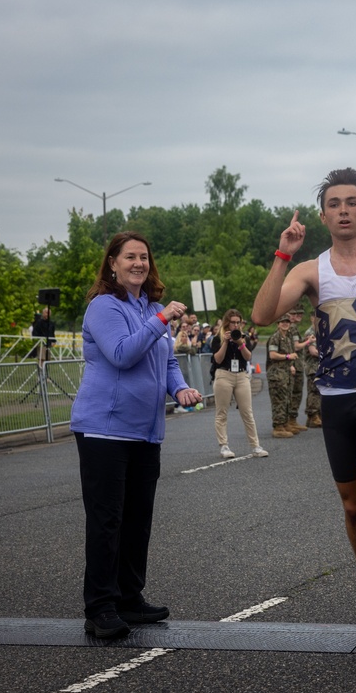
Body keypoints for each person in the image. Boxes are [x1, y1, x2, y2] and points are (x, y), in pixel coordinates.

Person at [251, 167, 356, 653]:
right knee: (349, 506)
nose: (343, 210)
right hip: (335, 398)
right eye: (334, 204)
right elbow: (262, 315)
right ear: (324, 216)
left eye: (352, 202)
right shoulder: (311, 271)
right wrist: (284, 254)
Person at [70, 231, 203, 639]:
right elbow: (124, 353)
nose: (138, 264)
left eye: (144, 257)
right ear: (112, 263)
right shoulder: (103, 307)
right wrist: (160, 321)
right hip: (104, 431)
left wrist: (179, 387)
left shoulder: (152, 307)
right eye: (129, 257)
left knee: (136, 521)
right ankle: (101, 607)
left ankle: (130, 597)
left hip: (145, 434)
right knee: (107, 521)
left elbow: (164, 363)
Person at [211, 307, 268, 459]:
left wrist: (240, 342)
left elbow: (248, 357)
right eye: (232, 323)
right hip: (224, 374)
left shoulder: (244, 337)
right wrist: (225, 342)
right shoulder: (218, 337)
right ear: (226, 323)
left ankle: (255, 446)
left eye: (238, 322)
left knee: (247, 412)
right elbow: (217, 359)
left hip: (242, 375)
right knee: (222, 412)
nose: (235, 326)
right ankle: (224, 446)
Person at [265, 314, 298, 438]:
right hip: (276, 374)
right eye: (282, 322)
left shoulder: (287, 338)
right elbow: (273, 355)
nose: (285, 324)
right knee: (278, 400)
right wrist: (288, 357)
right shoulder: (275, 337)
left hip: (285, 373)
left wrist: (291, 365)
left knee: (286, 399)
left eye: (287, 322)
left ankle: (284, 423)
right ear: (278, 324)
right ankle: (278, 426)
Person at [286, 306, 312, 434]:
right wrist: (308, 342)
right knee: (294, 393)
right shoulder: (292, 328)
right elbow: (296, 347)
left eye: (300, 314)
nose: (297, 316)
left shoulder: (292, 328)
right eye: (295, 313)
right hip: (295, 364)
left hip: (297, 364)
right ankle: (289, 420)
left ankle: (292, 419)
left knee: (296, 393)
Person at [303, 316, 322, 428]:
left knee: (319, 392)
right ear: (311, 318)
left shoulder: (322, 331)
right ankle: (312, 415)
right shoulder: (310, 333)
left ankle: (318, 414)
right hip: (312, 367)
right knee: (313, 391)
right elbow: (313, 351)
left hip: (320, 367)